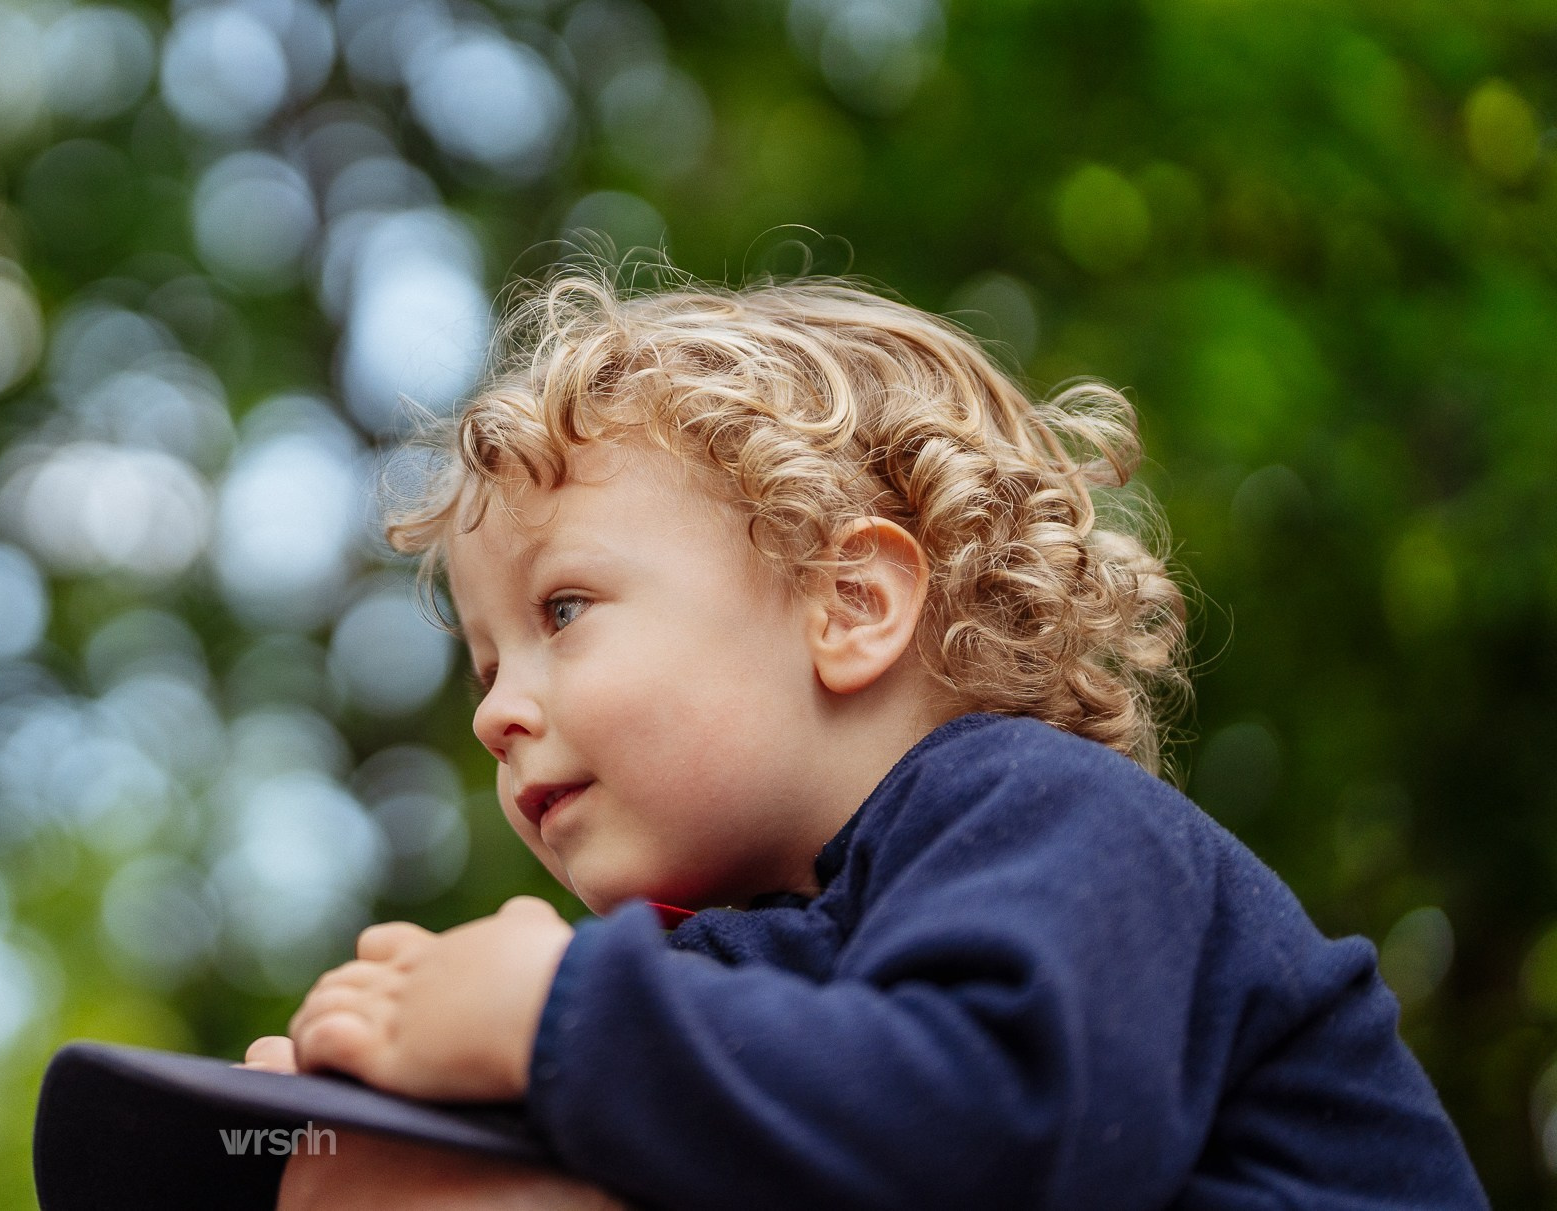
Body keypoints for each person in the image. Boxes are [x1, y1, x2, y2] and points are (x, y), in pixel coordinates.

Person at [240, 273, 1486, 1211]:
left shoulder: (1050, 817)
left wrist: (549, 1019)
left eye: (563, 611)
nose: (494, 710)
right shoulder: (754, 963)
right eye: (486, 659)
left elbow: (997, 1131)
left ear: (849, 606)